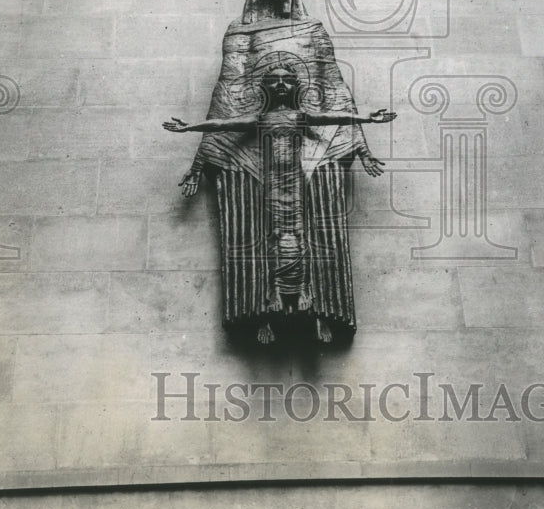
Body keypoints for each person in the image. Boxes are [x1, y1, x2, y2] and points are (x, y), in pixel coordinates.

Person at [174, 0, 390, 343]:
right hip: (257, 139)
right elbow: (229, 91)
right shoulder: (240, 33)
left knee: (319, 222)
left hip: (312, 138)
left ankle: (323, 307)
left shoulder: (313, 30)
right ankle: (259, 309)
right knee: (258, 223)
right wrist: (202, 162)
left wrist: (359, 145)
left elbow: (333, 85)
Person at [165, 60, 395, 344]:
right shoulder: (262, 120)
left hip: (297, 184)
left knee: (299, 236)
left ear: (297, 84)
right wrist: (189, 128)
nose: (282, 84)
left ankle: (309, 301)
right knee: (276, 237)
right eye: (275, 79)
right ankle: (271, 305)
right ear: (265, 87)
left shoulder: (300, 117)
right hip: (272, 184)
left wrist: (368, 120)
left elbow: (335, 117)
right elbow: (223, 123)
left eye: (287, 78)